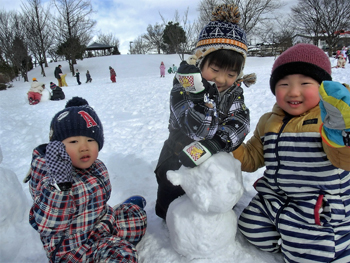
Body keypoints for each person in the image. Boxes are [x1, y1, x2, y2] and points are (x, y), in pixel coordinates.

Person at [234, 43, 350, 262]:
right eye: (284, 83)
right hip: (276, 200)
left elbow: (344, 159)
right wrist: (230, 144)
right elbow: (252, 157)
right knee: (249, 226)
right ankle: (285, 238)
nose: (293, 91)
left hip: (316, 209)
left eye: (305, 83)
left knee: (311, 254)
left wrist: (342, 131)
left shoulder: (330, 121)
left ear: (323, 87)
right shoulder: (268, 121)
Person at [154, 4, 257, 220]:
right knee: (169, 208)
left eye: (231, 73)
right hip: (178, 156)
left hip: (214, 156)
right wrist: (200, 95)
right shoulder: (182, 87)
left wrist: (216, 144)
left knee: (218, 205)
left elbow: (240, 122)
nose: (221, 79)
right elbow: (197, 129)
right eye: (215, 70)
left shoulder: (233, 91)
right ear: (200, 61)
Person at [25, 97, 147, 263]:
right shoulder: (50, 178)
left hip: (98, 227)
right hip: (75, 250)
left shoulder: (95, 166)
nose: (84, 147)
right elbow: (48, 224)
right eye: (73, 141)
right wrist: (60, 186)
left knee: (136, 217)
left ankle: (119, 220)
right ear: (58, 148)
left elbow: (98, 202)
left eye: (90, 140)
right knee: (121, 255)